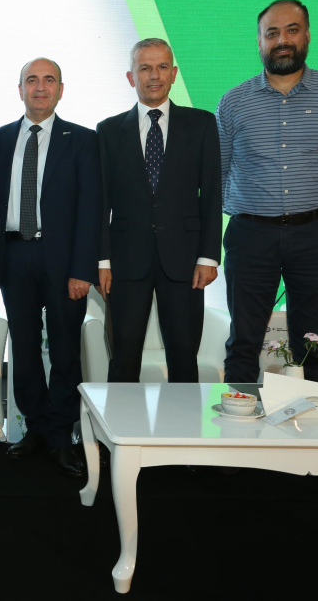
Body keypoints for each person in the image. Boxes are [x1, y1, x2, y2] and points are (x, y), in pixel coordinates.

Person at [217, 0, 318, 383]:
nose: (282, 40)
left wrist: (317, 210)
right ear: (259, 41)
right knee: (243, 342)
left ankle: (314, 419)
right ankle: (240, 417)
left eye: (292, 30)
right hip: (251, 236)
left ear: (307, 35)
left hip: (317, 234)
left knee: (312, 344)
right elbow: (219, 171)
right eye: (272, 33)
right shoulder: (233, 101)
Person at [0, 58, 100, 477]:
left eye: (48, 80)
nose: (40, 87)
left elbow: (91, 210)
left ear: (60, 89)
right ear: (19, 89)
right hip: (14, 255)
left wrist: (83, 269)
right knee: (23, 348)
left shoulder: (83, 140)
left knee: (65, 350)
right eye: (31, 80)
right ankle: (35, 428)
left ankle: (60, 435)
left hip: (64, 261)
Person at [97, 38, 222, 383]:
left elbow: (212, 194)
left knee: (184, 358)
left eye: (162, 67)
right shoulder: (108, 131)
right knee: (123, 359)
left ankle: (184, 422)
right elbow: (100, 201)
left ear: (174, 73)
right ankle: (120, 422)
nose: (154, 75)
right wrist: (102, 261)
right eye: (145, 68)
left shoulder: (201, 124)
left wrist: (208, 257)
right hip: (125, 263)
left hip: (185, 263)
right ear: (130, 77)